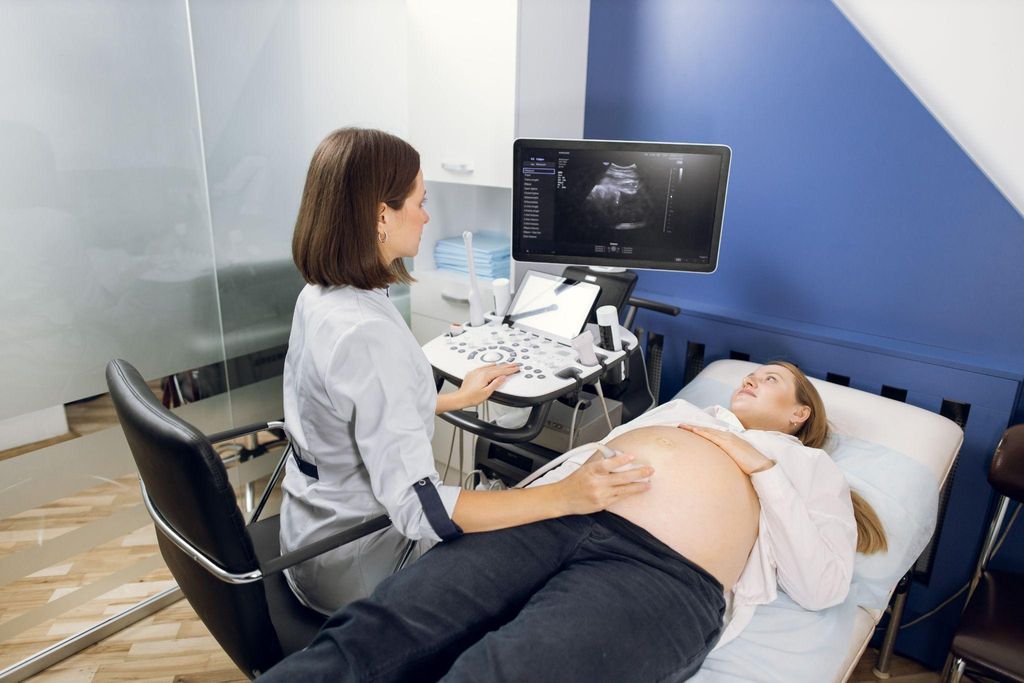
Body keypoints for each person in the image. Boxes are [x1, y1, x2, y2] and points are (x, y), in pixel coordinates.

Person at [260, 361, 888, 682]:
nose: (752, 376)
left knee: (499, 674)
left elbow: (826, 584)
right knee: (377, 630)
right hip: (552, 516)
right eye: (752, 371)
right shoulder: (680, 410)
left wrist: (759, 466)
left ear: (800, 416)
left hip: (661, 573)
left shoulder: (807, 470)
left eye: (771, 379)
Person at [280, 128, 652, 614]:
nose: (426, 215)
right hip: (358, 562)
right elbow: (420, 511)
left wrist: (454, 398)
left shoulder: (322, 296)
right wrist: (566, 495)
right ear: (380, 216)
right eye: (419, 201)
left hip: (309, 537)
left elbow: (353, 409)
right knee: (544, 540)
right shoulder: (365, 332)